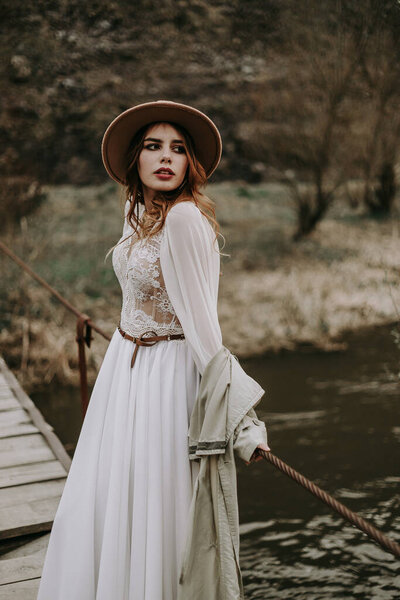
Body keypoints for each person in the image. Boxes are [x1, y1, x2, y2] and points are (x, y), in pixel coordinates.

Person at [36, 100, 270, 600]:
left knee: (155, 504)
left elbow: (205, 327)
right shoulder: (137, 211)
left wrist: (241, 418)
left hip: (167, 377)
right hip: (123, 369)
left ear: (190, 164)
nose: (166, 157)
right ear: (136, 161)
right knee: (109, 496)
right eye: (153, 146)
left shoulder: (184, 218)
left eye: (178, 149)